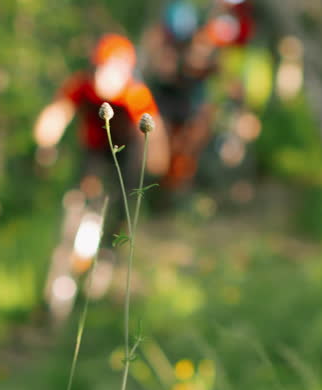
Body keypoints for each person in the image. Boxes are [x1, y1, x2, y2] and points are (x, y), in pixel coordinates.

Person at [33, 33, 169, 323]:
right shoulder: (81, 86)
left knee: (120, 209)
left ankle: (106, 260)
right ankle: (64, 274)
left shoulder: (135, 95)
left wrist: (158, 166)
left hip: (126, 155)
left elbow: (155, 134)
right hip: (93, 153)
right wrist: (45, 145)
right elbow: (57, 113)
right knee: (78, 203)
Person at [142, 1, 256, 193]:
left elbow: (223, 77)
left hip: (190, 104)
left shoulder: (203, 46)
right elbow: (159, 70)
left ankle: (181, 185)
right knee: (158, 146)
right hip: (163, 103)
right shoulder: (160, 43)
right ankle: (156, 185)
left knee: (199, 127)